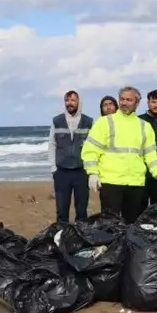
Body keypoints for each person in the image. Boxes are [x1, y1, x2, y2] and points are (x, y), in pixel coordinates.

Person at [81, 86, 157, 223]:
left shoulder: (144, 126)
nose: (124, 103)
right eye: (122, 99)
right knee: (109, 225)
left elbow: (150, 155)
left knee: (131, 225)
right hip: (110, 182)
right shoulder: (104, 122)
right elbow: (90, 149)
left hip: (136, 184)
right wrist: (92, 173)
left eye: (129, 100)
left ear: (137, 103)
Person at [49, 90, 92, 223]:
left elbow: (93, 147)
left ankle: (81, 238)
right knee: (61, 211)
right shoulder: (57, 121)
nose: (70, 103)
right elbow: (52, 145)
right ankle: (62, 237)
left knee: (81, 210)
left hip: (82, 172)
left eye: (73, 100)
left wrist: (91, 169)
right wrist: (53, 168)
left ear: (79, 102)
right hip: (62, 172)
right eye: (67, 100)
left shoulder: (88, 121)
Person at [139, 89, 157, 207]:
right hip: (143, 172)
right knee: (140, 207)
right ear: (148, 103)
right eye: (154, 102)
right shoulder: (139, 120)